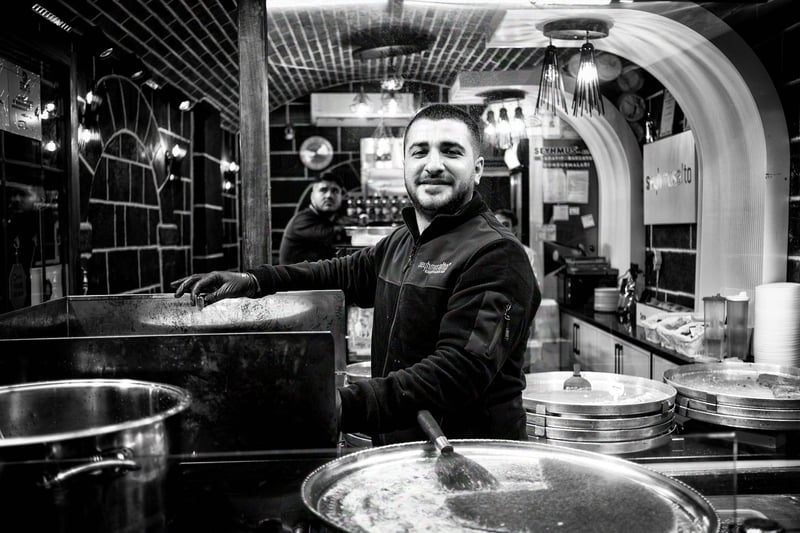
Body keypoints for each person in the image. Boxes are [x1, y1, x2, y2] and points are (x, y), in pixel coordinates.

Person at [174, 104, 540, 445]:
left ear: (476, 168)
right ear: (405, 165)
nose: (433, 164)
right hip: (404, 449)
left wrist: (344, 404)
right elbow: (337, 273)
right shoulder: (403, 240)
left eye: (450, 151)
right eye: (420, 151)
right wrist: (255, 281)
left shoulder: (496, 254)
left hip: (470, 455)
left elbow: (460, 370)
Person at [278, 173, 347, 264]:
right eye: (323, 190)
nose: (329, 196)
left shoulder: (326, 219)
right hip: (297, 278)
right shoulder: (302, 220)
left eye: (335, 191)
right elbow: (330, 235)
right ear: (312, 196)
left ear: (341, 197)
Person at [494, 208, 540, 287]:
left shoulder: (529, 255)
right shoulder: (487, 254)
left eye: (505, 225)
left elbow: (537, 288)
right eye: (497, 225)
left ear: (514, 230)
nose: (500, 228)